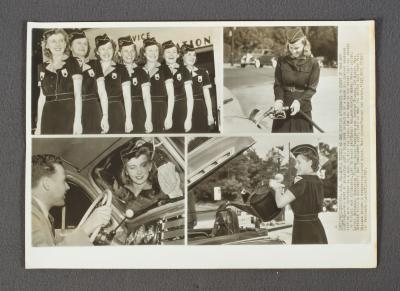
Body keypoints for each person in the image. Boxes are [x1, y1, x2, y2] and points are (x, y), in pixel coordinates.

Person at [31, 154, 112, 246]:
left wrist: (82, 229)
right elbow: (49, 258)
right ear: (47, 184)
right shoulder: (32, 218)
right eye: (63, 181)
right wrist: (88, 227)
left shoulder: (40, 215)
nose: (68, 187)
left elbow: (53, 243)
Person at [269, 144, 328, 244]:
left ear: (310, 163)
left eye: (299, 162)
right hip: (317, 227)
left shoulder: (301, 182)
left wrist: (277, 187)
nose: (296, 166)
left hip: (303, 230)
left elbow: (280, 203)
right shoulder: (318, 181)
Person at [272, 27, 320, 133]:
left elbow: (312, 89)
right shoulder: (282, 61)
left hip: (302, 109)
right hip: (283, 109)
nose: (294, 51)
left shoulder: (313, 63)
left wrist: (299, 102)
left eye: (297, 48)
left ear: (304, 45)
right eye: (291, 47)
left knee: (302, 143)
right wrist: (279, 100)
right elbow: (278, 84)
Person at [35, 29, 83, 135]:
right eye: (53, 41)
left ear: (65, 43)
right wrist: (38, 125)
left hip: (68, 111)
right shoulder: (41, 67)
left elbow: (78, 94)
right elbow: (42, 98)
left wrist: (78, 121)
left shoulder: (73, 62)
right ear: (46, 45)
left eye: (61, 40)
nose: (58, 44)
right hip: (48, 113)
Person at [69, 30, 109, 134]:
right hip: (70, 109)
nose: (82, 46)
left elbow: (102, 92)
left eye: (85, 43)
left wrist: (105, 116)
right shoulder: (64, 64)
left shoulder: (95, 64)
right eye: (78, 43)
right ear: (70, 47)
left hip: (93, 109)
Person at [94, 34, 133, 133]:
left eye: (109, 48)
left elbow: (127, 96)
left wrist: (128, 119)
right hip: (96, 110)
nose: (106, 52)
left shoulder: (121, 69)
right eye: (102, 49)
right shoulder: (92, 68)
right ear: (97, 52)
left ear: (114, 50)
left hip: (116, 110)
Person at [117, 36, 152, 133]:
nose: (130, 54)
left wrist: (148, 119)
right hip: (121, 112)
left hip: (139, 112)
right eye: (126, 51)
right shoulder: (115, 71)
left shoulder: (142, 71)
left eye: (132, 51)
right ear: (119, 53)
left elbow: (146, 97)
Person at [141, 38, 174, 133]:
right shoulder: (139, 71)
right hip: (144, 111)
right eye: (150, 50)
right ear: (144, 53)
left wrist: (169, 116)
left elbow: (171, 96)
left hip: (161, 110)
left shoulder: (164, 68)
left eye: (156, 50)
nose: (153, 53)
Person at [161, 40, 194, 133]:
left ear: (178, 55)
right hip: (164, 109)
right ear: (162, 55)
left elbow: (190, 97)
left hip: (181, 109)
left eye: (174, 52)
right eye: (168, 52)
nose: (171, 54)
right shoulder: (159, 70)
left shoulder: (184, 70)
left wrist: (188, 118)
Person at [181, 44, 214, 132]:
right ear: (182, 56)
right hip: (183, 108)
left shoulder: (203, 72)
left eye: (194, 55)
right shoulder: (178, 73)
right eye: (189, 54)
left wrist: (210, 115)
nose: (192, 57)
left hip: (200, 108)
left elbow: (207, 96)